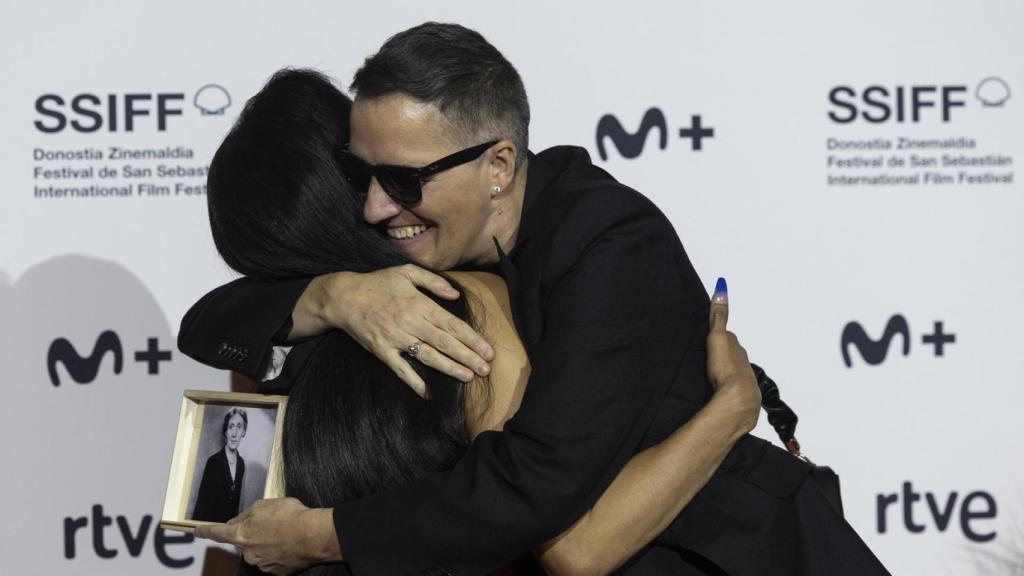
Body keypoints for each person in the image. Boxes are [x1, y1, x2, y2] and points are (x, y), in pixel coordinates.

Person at [183, 24, 889, 576]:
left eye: (400, 180)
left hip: (734, 557)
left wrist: (320, 535)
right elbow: (214, 319)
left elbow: (543, 502)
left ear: (498, 166)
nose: (374, 207)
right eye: (359, 179)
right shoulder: (408, 280)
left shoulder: (611, 243)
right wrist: (332, 294)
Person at [192, 407, 247, 523]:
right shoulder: (213, 462)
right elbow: (201, 504)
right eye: (231, 426)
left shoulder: (241, 464)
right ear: (225, 431)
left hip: (229, 532)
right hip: (210, 529)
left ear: (244, 432)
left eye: (239, 427)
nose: (234, 433)